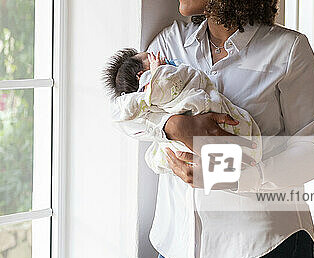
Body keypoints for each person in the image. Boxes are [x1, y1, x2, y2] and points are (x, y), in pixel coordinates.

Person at [112, 0, 314, 258]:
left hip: (266, 246)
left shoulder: (287, 51)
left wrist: (239, 177)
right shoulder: (170, 43)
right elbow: (127, 113)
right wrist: (173, 127)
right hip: (177, 246)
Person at [103, 48, 262, 174]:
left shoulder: (171, 74)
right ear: (142, 75)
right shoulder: (157, 81)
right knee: (162, 152)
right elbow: (162, 86)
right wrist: (157, 73)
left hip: (207, 112)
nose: (160, 56)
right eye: (150, 57)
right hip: (192, 113)